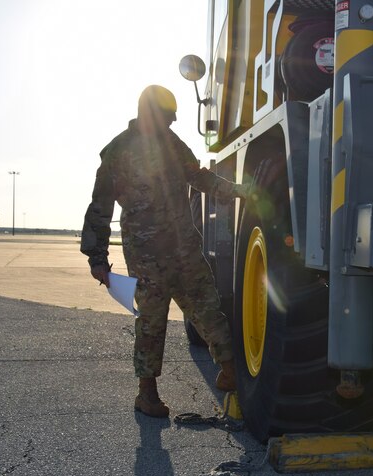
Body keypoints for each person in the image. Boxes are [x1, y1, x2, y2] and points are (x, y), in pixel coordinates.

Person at [81, 85, 251, 418]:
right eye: (167, 118)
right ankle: (147, 393)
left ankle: (229, 370)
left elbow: (199, 178)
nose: (171, 125)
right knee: (152, 321)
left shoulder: (173, 145)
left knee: (206, 306)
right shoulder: (117, 152)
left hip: (184, 246)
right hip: (146, 254)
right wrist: (96, 258)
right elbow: (99, 207)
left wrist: (237, 191)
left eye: (173, 120)